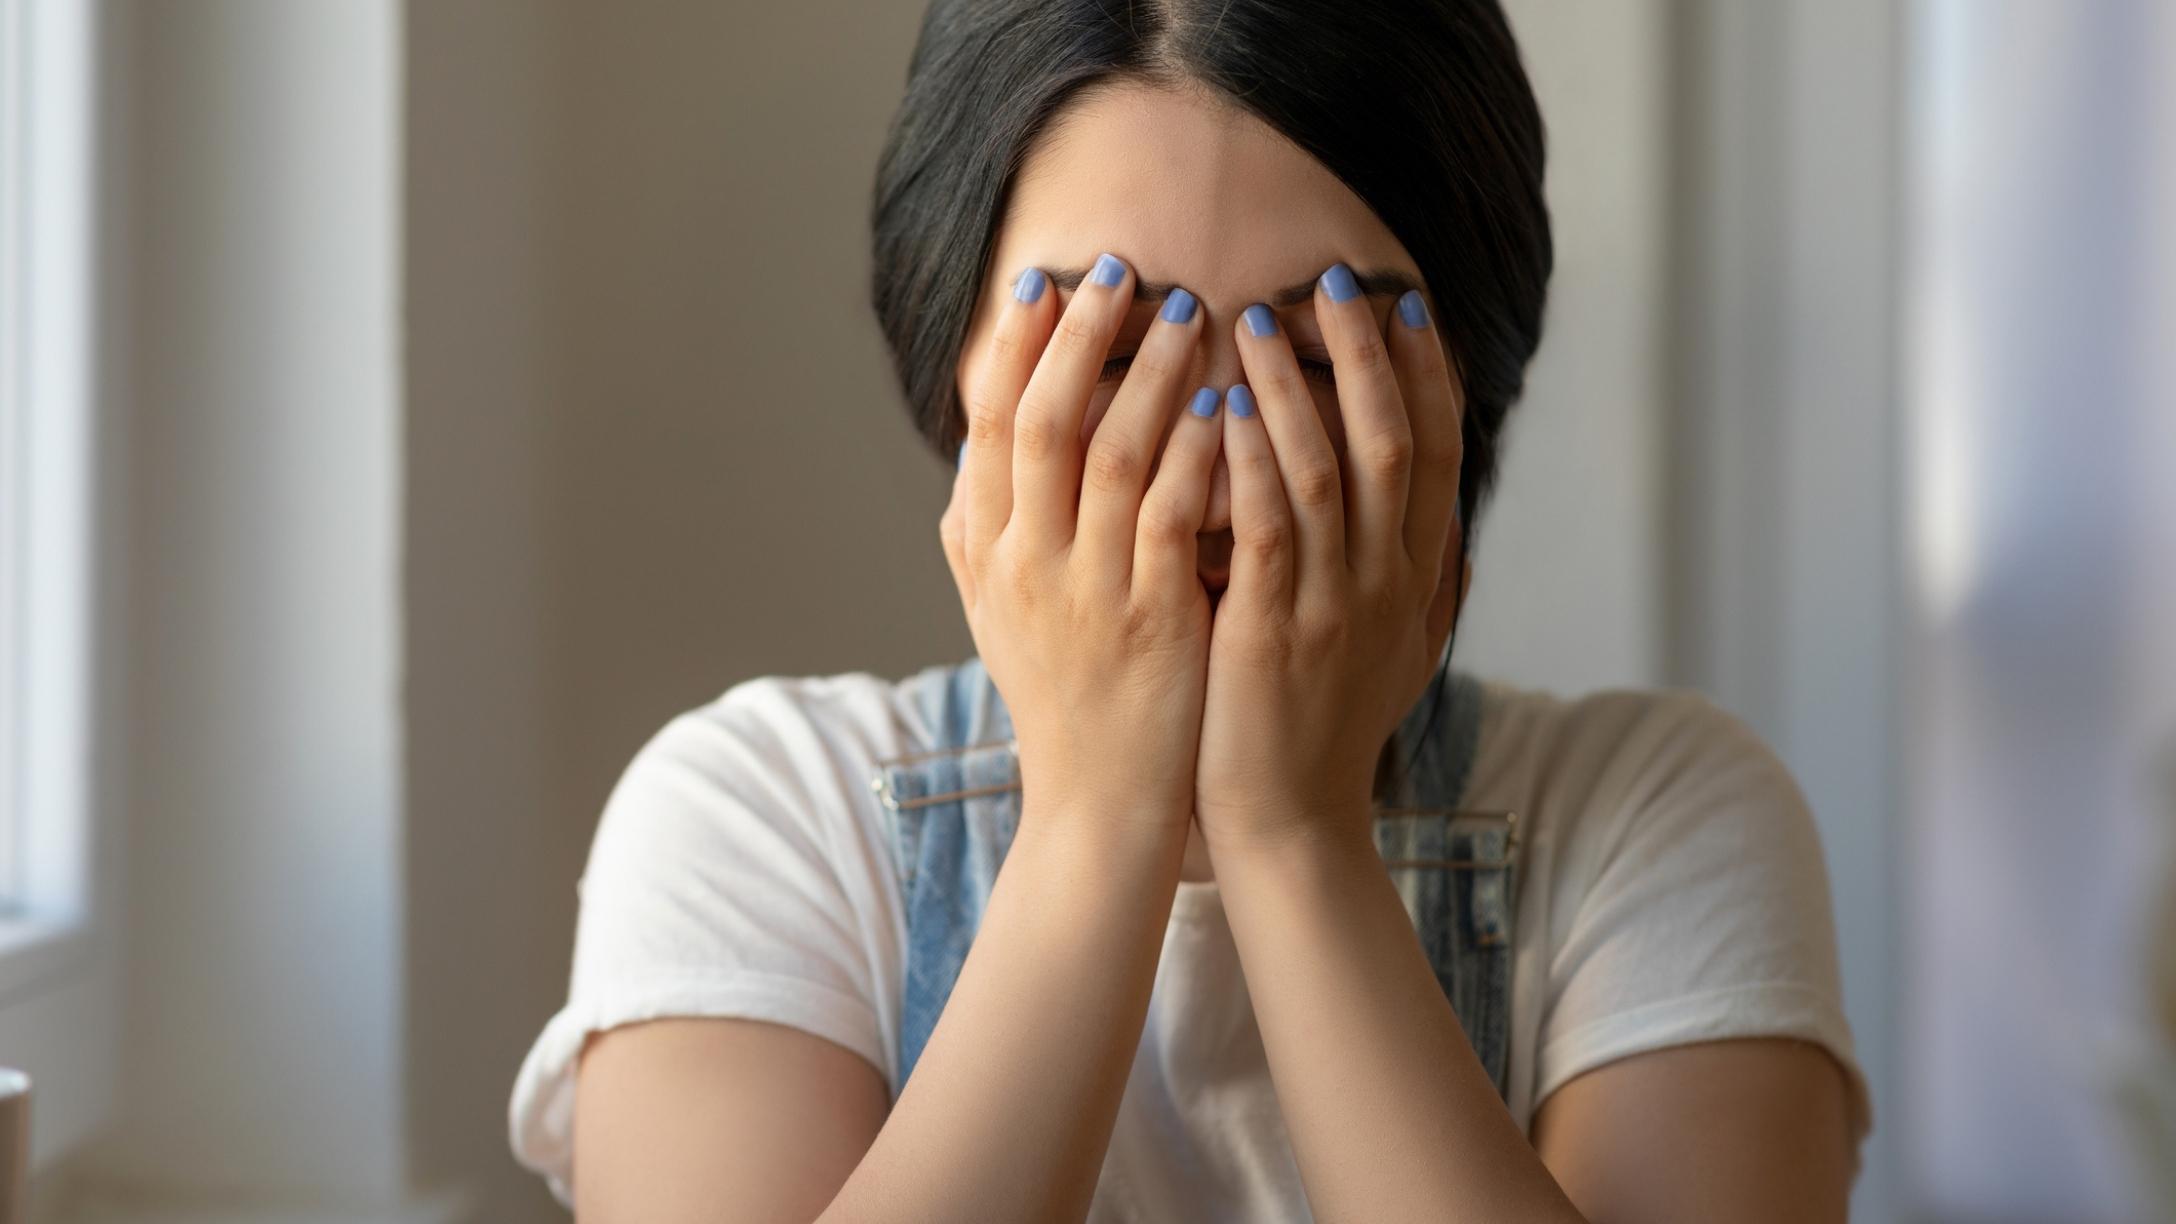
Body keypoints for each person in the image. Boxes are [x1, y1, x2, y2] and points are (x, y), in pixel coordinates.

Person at [508, 1, 1872, 1219]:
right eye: (1116, 351)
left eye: (1320, 356)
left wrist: (1295, 839)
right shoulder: (761, 816)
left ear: (1467, 386)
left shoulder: (1659, 819)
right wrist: (1100, 821)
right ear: (957, 377)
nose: (1214, 474)